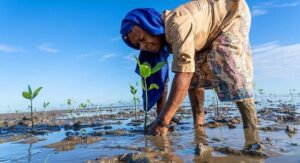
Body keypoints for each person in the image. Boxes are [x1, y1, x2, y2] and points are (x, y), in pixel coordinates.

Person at [120, 0, 259, 140]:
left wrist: (163, 122)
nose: (143, 47)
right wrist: (160, 116)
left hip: (231, 13)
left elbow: (184, 73)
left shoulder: (178, 25)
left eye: (142, 38)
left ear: (151, 25)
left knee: (229, 64)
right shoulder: (162, 40)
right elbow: (164, 79)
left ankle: (252, 135)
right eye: (137, 45)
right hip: (203, 36)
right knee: (194, 78)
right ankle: (199, 128)